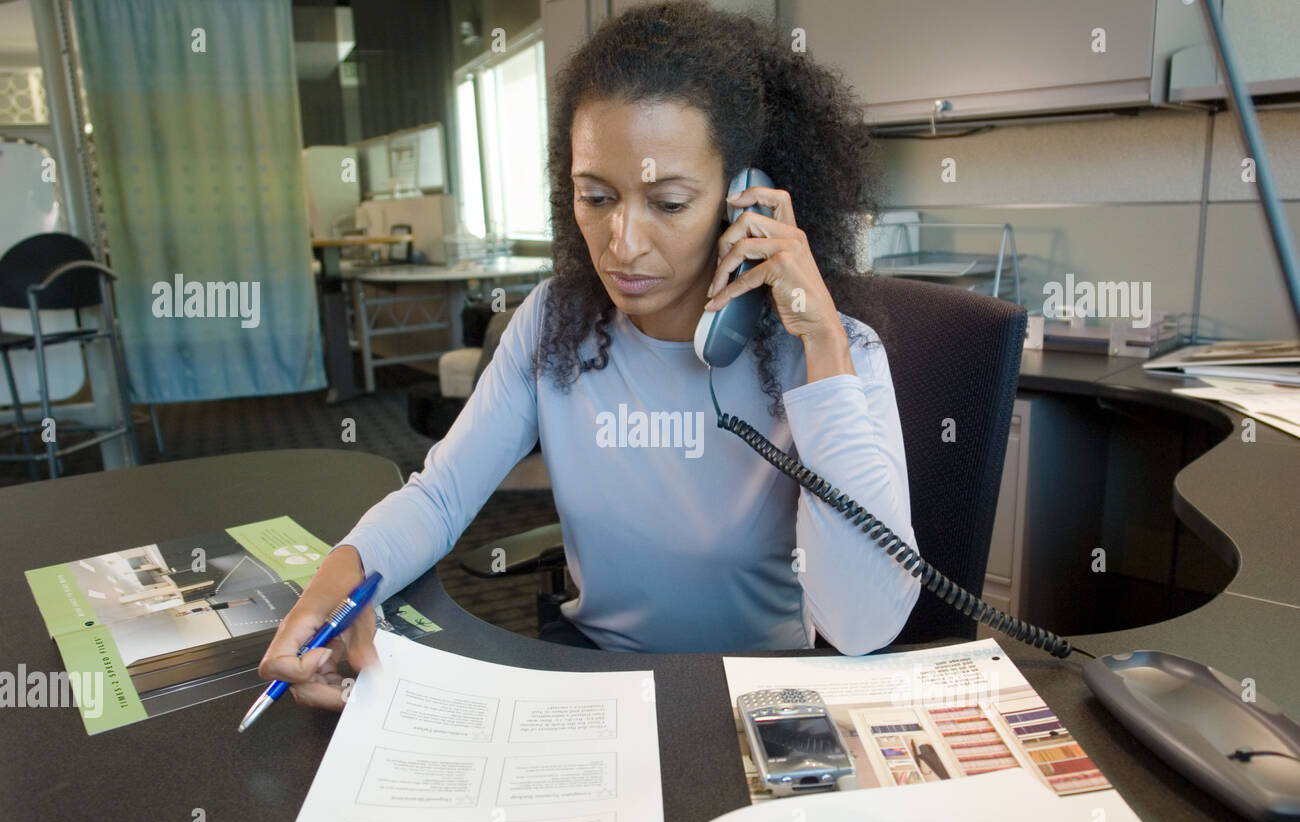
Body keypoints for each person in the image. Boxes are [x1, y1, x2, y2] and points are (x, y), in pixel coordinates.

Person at [259, 0, 921, 712]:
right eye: (596, 196)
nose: (622, 242)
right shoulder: (553, 323)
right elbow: (442, 496)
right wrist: (332, 588)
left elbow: (861, 625)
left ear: (744, 202)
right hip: (593, 688)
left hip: (754, 696)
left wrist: (820, 344)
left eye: (668, 203)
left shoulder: (830, 351)